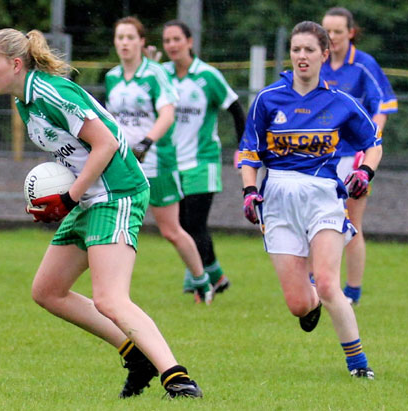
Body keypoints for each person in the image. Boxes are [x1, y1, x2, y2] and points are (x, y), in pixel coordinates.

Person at [0, 28, 203, 399]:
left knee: (111, 299)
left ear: (15, 64)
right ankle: (137, 357)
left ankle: (178, 380)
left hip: (118, 192)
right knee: (47, 291)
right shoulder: (25, 101)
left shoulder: (51, 91)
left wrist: (68, 197)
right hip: (90, 196)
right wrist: (56, 196)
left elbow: (107, 143)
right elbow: (73, 153)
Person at [238, 21, 382, 379]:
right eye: (296, 50)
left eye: (309, 50)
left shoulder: (340, 102)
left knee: (330, 282)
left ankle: (358, 364)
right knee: (298, 304)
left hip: (323, 198)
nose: (302, 56)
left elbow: (373, 144)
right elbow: (249, 152)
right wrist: (249, 190)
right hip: (278, 200)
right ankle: (312, 300)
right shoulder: (268, 99)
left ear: (324, 54)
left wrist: (365, 173)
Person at [105, 16, 213, 304]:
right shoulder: (112, 76)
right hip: (124, 164)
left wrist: (147, 142)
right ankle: (114, 292)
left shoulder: (154, 74)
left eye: (130, 37)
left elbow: (167, 113)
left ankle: (202, 279)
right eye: (120, 38)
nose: (125, 43)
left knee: (172, 231)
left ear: (142, 42)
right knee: (117, 225)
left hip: (157, 163)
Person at [161, 19, 246, 294]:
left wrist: (242, 147)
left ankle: (207, 280)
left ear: (189, 42)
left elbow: (235, 108)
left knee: (194, 225)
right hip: (171, 163)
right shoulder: (161, 74)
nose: (172, 45)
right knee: (182, 227)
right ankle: (212, 276)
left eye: (177, 39)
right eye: (167, 41)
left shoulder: (207, 76)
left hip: (202, 161)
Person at [321, 7, 398, 305]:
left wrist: (370, 143)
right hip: (322, 158)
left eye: (338, 31)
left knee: (351, 225)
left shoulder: (364, 65)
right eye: (326, 31)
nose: (332, 37)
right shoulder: (318, 63)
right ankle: (319, 283)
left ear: (350, 33)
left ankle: (352, 291)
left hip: (354, 157)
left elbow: (384, 104)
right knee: (318, 221)